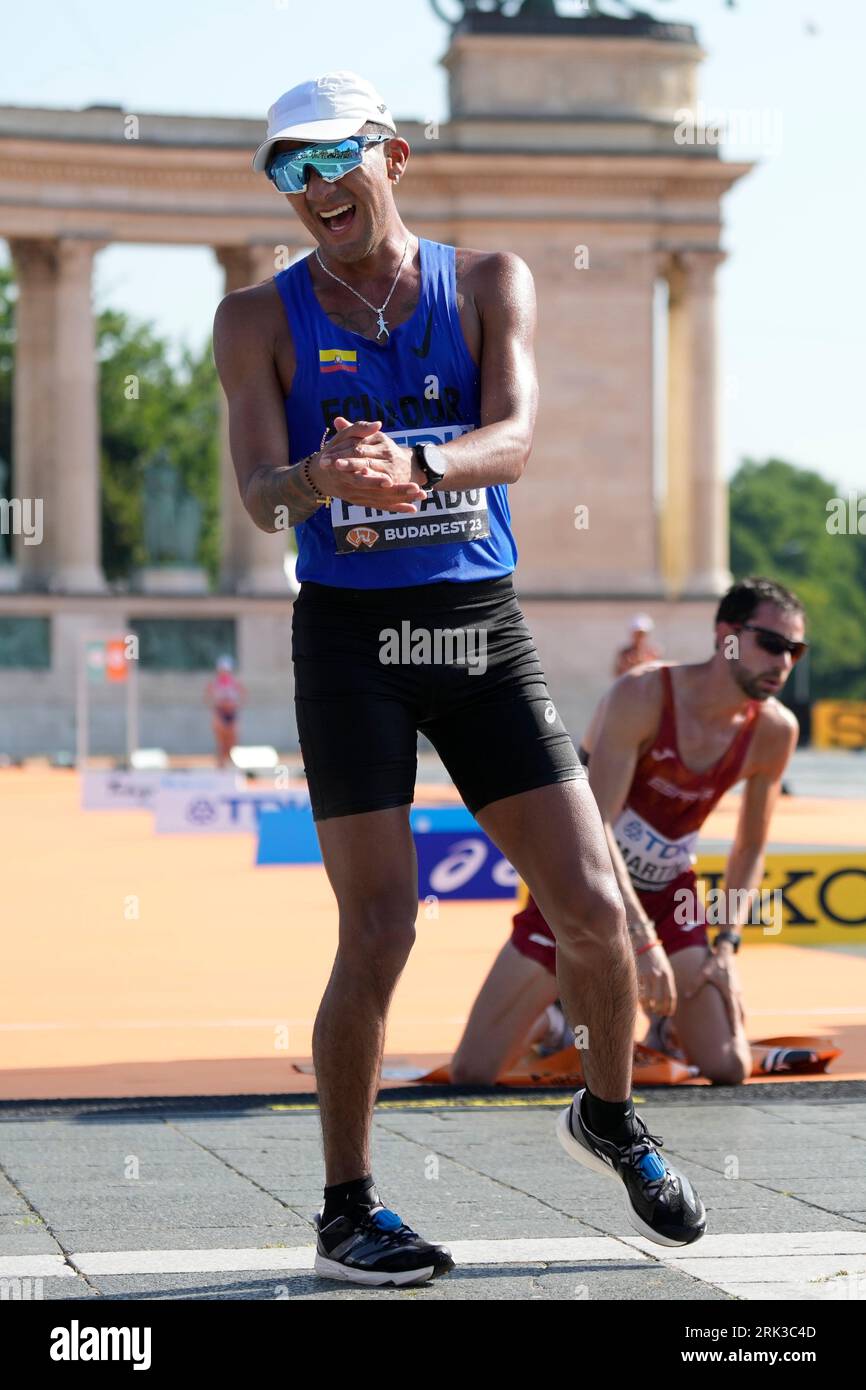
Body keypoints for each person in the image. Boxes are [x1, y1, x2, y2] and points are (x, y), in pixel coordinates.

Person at [213, 70, 705, 1287]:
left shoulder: (487, 280)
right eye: (286, 169)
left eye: (332, 159)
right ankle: (344, 1210)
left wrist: (420, 466)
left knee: (591, 909)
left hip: (475, 624)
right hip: (348, 639)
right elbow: (258, 494)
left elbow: (517, 440)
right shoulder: (254, 319)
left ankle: (605, 1113)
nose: (311, 186)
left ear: (394, 157)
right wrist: (321, 480)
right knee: (378, 925)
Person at [451, 577, 805, 1089]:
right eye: (772, 644)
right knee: (472, 1073)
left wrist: (727, 946)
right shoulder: (640, 695)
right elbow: (596, 825)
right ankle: (557, 1020)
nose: (784, 662)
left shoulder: (775, 730)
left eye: (796, 649)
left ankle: (661, 1026)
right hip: (581, 888)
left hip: (667, 894)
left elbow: (750, 846)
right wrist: (640, 942)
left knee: (729, 1065)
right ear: (726, 634)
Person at [204, 655, 246, 767]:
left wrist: (236, 705)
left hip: (231, 713)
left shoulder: (234, 683)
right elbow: (208, 697)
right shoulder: (215, 683)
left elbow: (243, 695)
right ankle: (221, 762)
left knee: (232, 739)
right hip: (220, 712)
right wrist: (216, 706)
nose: (224, 672)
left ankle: (228, 760)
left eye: (226, 670)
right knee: (221, 740)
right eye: (222, 670)